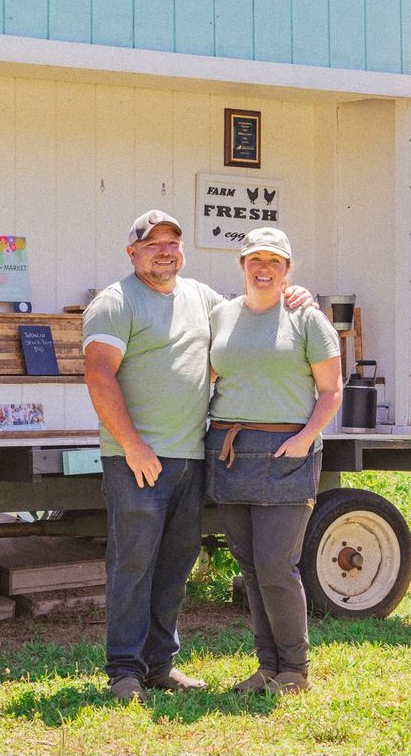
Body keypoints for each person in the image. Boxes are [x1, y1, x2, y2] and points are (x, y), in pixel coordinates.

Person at [82, 210, 312, 703]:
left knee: (175, 564)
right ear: (133, 253)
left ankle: (160, 665)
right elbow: (99, 376)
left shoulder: (202, 298)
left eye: (172, 243)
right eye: (153, 244)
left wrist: (297, 296)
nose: (164, 251)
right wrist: (133, 445)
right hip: (136, 460)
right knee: (132, 564)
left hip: (191, 457)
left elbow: (253, 310)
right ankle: (124, 671)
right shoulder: (115, 303)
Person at [204, 227, 342, 696]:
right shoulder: (220, 315)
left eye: (275, 262)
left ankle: (295, 672)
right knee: (249, 568)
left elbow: (331, 390)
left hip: (287, 451)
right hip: (229, 450)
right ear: (242, 265)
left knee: (276, 566)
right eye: (255, 260)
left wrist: (307, 438)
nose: (264, 269)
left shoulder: (307, 319)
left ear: (288, 270)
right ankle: (268, 668)